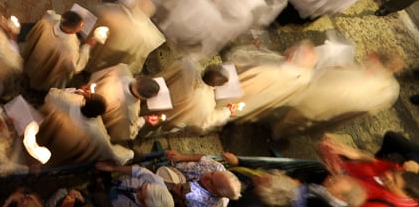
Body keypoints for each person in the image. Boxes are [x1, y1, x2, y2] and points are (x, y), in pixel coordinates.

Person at [272, 49, 402, 138]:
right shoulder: (391, 89)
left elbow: (319, 89)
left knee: (290, 120)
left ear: (375, 60)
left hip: (312, 104)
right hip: (327, 113)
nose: (366, 59)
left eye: (371, 59)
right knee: (301, 123)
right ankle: (284, 130)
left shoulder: (352, 82)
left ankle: (276, 132)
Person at [38, 88, 135, 166]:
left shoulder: (70, 100)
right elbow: (110, 151)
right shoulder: (96, 132)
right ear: (98, 115)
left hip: (47, 129)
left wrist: (77, 91)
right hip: (61, 148)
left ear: (85, 101)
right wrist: (130, 154)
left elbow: (51, 94)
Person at [227, 41, 318, 124]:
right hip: (249, 106)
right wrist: (261, 49)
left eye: (294, 47)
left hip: (232, 102)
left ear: (291, 56)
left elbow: (239, 87)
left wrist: (244, 50)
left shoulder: (269, 73)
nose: (291, 46)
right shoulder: (303, 77)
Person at [86, 0, 166, 74]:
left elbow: (88, 20)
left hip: (98, 58)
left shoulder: (111, 13)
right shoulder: (152, 35)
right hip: (117, 70)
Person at [22, 10, 94, 91]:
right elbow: (75, 67)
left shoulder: (48, 21)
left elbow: (51, 14)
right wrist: (87, 46)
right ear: (72, 30)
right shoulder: (69, 49)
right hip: (47, 71)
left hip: (34, 58)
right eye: (81, 25)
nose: (82, 25)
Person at [89, 64, 161, 142]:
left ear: (139, 78)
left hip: (90, 94)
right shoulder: (129, 112)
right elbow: (126, 133)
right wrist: (143, 120)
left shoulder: (123, 69)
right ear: (143, 98)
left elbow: (96, 75)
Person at [160, 61, 234, 135]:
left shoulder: (187, 66)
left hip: (156, 97)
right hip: (165, 120)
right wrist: (226, 111)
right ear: (217, 85)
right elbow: (207, 121)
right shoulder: (207, 103)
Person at [165, 150, 243, 207]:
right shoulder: (218, 167)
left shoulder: (209, 203)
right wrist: (180, 157)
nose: (207, 176)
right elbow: (201, 158)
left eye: (211, 182)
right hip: (176, 166)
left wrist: (179, 200)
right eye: (212, 173)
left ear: (218, 194)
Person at [96, 161, 176, 207]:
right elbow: (137, 171)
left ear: (146, 204)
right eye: (144, 186)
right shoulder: (156, 181)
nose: (138, 187)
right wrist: (114, 168)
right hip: (117, 185)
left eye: (140, 191)